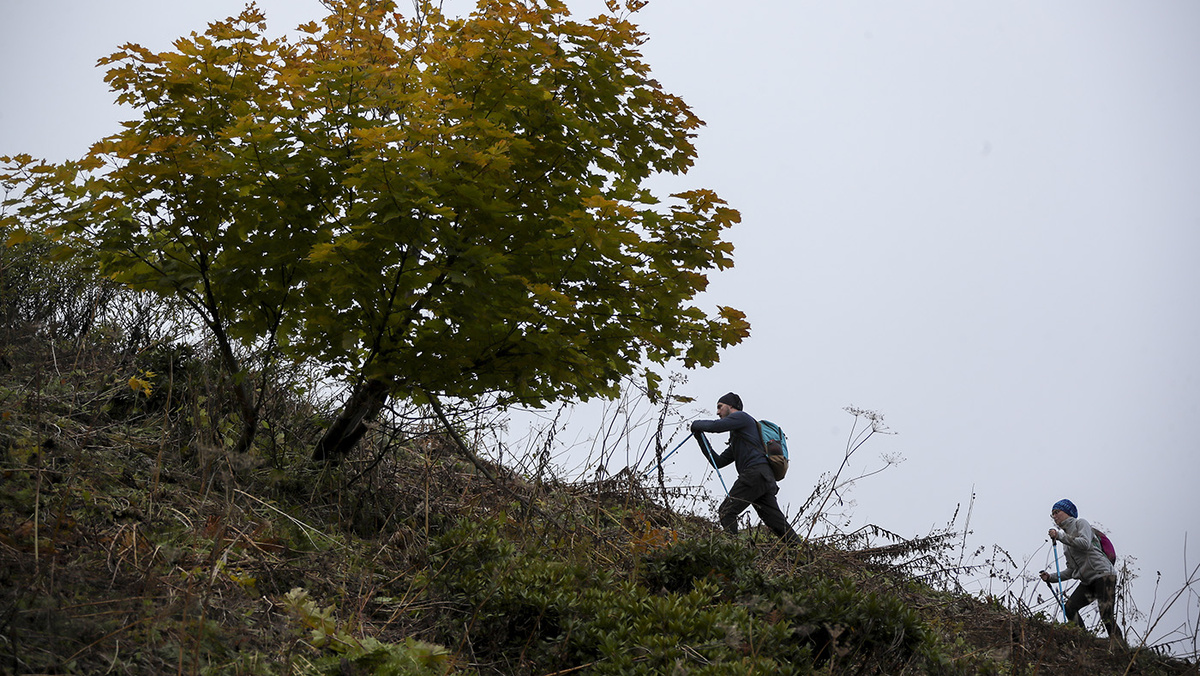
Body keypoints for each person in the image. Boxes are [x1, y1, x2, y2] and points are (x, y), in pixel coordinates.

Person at [691, 392, 801, 544]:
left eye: (720, 407)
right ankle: (801, 551)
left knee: (726, 511)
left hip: (754, 474)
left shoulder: (742, 417)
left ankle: (733, 551)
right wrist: (699, 438)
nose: (717, 412)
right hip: (764, 478)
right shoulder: (740, 438)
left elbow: (715, 427)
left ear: (731, 406)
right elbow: (718, 461)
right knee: (776, 522)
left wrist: (696, 424)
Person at [1039, 498, 1127, 648]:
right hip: (1088, 582)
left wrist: (1060, 536)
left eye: (1057, 512)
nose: (1054, 516)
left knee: (1105, 614)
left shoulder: (1081, 524)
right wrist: (1051, 577)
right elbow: (1072, 570)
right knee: (1069, 608)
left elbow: (1085, 544)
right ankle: (1084, 641)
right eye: (1052, 514)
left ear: (1067, 512)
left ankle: (1121, 648)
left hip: (1104, 575)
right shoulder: (1066, 544)